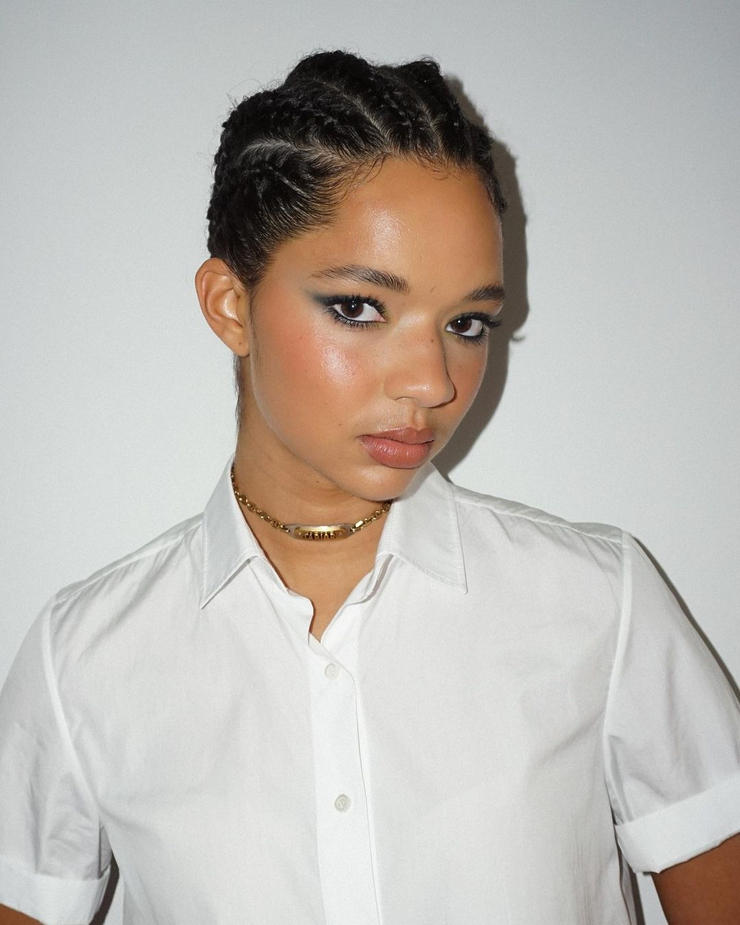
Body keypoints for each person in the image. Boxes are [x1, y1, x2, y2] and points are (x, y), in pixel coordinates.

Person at [0, 48, 739, 925]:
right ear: (230, 305)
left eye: (468, 323)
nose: (432, 380)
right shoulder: (86, 660)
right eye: (359, 307)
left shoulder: (598, 605)